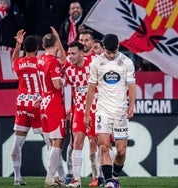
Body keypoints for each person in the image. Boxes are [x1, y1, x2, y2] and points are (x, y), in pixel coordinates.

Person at [84, 34, 136, 188]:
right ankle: (109, 182)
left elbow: (132, 86)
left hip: (120, 112)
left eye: (113, 53)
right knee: (104, 147)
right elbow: (91, 89)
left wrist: (131, 106)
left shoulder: (126, 62)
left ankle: (114, 176)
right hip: (103, 111)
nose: (111, 55)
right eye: (109, 52)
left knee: (121, 151)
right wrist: (87, 113)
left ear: (118, 47)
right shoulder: (96, 63)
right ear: (104, 48)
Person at [10, 29, 49, 186]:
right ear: (38, 47)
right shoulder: (40, 62)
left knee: (16, 145)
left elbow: (14, 59)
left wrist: (17, 45)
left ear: (24, 48)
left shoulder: (19, 63)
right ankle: (53, 175)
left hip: (22, 105)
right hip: (37, 105)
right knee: (50, 143)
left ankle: (17, 178)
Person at [64, 41, 98, 187]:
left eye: (73, 53)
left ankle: (97, 177)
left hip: (95, 108)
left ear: (81, 53)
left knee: (93, 142)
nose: (70, 56)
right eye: (69, 53)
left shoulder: (93, 65)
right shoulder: (68, 71)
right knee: (77, 141)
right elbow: (66, 89)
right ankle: (76, 179)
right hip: (78, 109)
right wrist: (68, 108)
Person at [37, 26, 67, 187]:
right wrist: (63, 81)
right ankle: (50, 177)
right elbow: (56, 84)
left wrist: (58, 43)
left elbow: (62, 60)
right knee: (58, 141)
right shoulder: (53, 62)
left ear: (43, 46)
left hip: (44, 103)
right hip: (54, 103)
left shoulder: (40, 60)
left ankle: (59, 177)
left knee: (51, 141)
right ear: (55, 44)